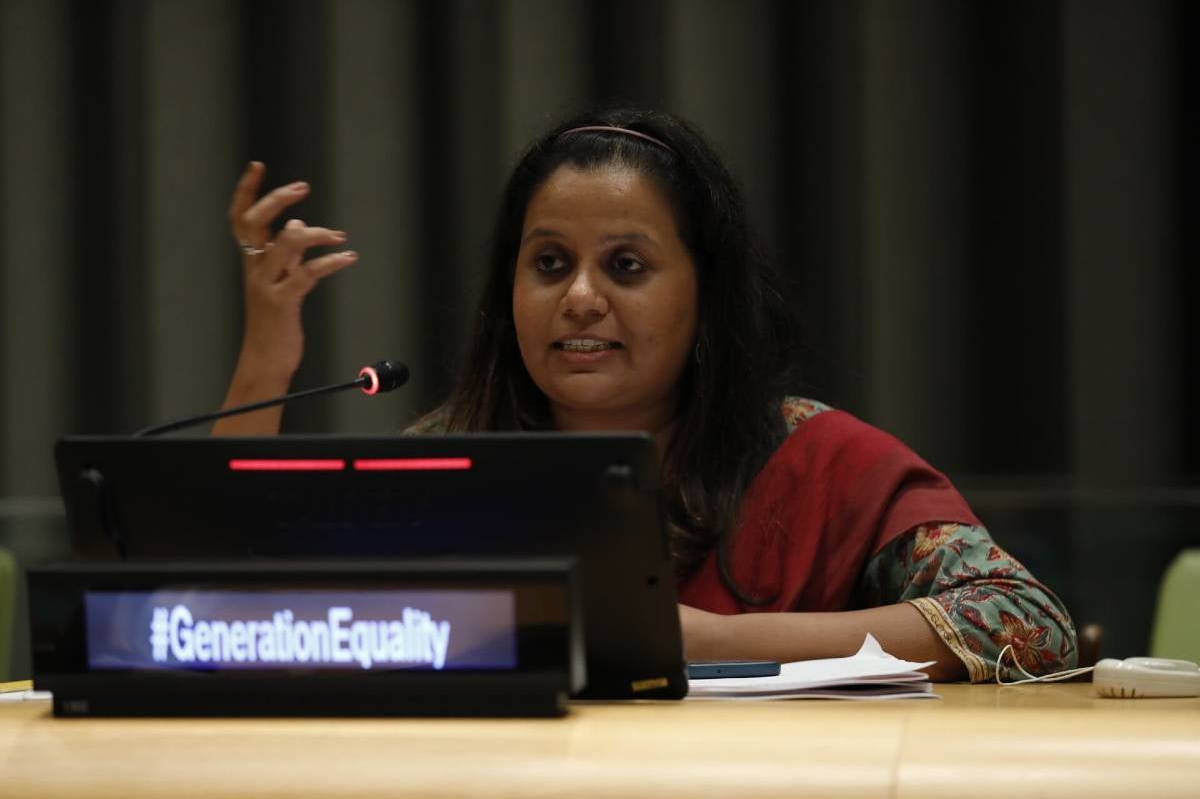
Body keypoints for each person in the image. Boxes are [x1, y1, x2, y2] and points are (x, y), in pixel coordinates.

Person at [216, 107, 1077, 682]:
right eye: (549, 264)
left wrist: (707, 642)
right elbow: (232, 606)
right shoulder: (454, 449)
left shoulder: (816, 457)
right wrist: (266, 358)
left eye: (625, 266)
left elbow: (1028, 623)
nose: (580, 298)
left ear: (705, 293)